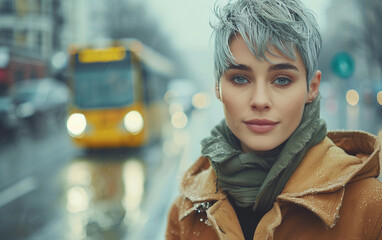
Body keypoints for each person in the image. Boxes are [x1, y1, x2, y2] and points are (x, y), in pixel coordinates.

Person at [166, 0, 382, 239]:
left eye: (281, 80)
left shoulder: (370, 206)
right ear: (217, 87)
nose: (260, 100)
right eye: (240, 78)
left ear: (312, 88)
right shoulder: (185, 212)